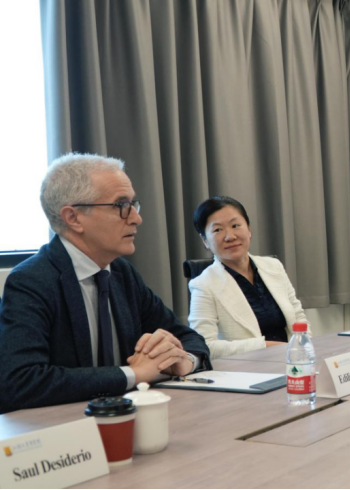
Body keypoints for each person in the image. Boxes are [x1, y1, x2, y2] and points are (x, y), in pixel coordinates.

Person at [0, 154, 211, 414]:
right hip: (62, 429)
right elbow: (20, 382)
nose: (136, 218)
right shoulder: (32, 281)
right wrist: (133, 374)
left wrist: (182, 361)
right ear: (74, 218)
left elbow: (188, 337)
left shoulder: (122, 273)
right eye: (121, 205)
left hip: (125, 419)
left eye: (133, 204)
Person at [188, 196, 308, 359]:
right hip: (247, 368)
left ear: (249, 229)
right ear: (205, 241)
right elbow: (205, 345)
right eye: (217, 230)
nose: (230, 236)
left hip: (292, 362)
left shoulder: (274, 266)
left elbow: (299, 318)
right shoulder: (203, 285)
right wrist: (267, 347)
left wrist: (305, 352)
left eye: (235, 226)